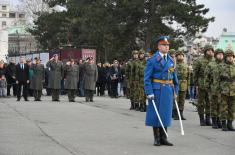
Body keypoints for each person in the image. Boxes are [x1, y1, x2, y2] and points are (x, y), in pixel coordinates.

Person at [144, 36, 178, 146]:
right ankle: (157, 138)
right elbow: (147, 78)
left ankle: (164, 137)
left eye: (168, 45)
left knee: (165, 114)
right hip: (157, 90)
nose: (166, 47)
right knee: (156, 114)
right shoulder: (152, 60)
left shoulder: (171, 60)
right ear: (159, 46)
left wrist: (175, 91)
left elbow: (174, 77)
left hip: (168, 90)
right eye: (164, 45)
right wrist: (149, 92)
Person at [193, 45, 214, 126]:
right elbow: (195, 73)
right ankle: (202, 119)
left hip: (211, 85)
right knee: (201, 103)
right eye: (208, 50)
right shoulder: (199, 61)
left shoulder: (214, 60)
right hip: (201, 83)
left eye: (211, 50)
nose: (210, 52)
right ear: (205, 51)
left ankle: (208, 119)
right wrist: (196, 84)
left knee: (209, 102)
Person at [204, 48, 224, 129]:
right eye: (219, 54)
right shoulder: (211, 65)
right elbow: (206, 78)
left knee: (221, 106)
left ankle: (219, 120)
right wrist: (208, 88)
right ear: (215, 55)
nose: (220, 56)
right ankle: (214, 121)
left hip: (223, 89)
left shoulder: (224, 64)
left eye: (222, 54)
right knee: (213, 105)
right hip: (213, 89)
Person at [219, 49, 235, 131]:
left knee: (232, 108)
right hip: (223, 90)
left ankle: (230, 124)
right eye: (228, 56)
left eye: (231, 56)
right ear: (225, 57)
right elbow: (217, 79)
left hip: (233, 90)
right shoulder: (221, 66)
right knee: (223, 108)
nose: (230, 58)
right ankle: (224, 124)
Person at [173, 51, 189, 120]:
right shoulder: (173, 65)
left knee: (182, 100)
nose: (180, 56)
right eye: (178, 55)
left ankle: (181, 113)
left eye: (181, 55)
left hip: (184, 84)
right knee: (176, 99)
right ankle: (176, 114)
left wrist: (188, 86)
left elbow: (188, 76)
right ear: (176, 57)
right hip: (175, 84)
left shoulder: (186, 65)